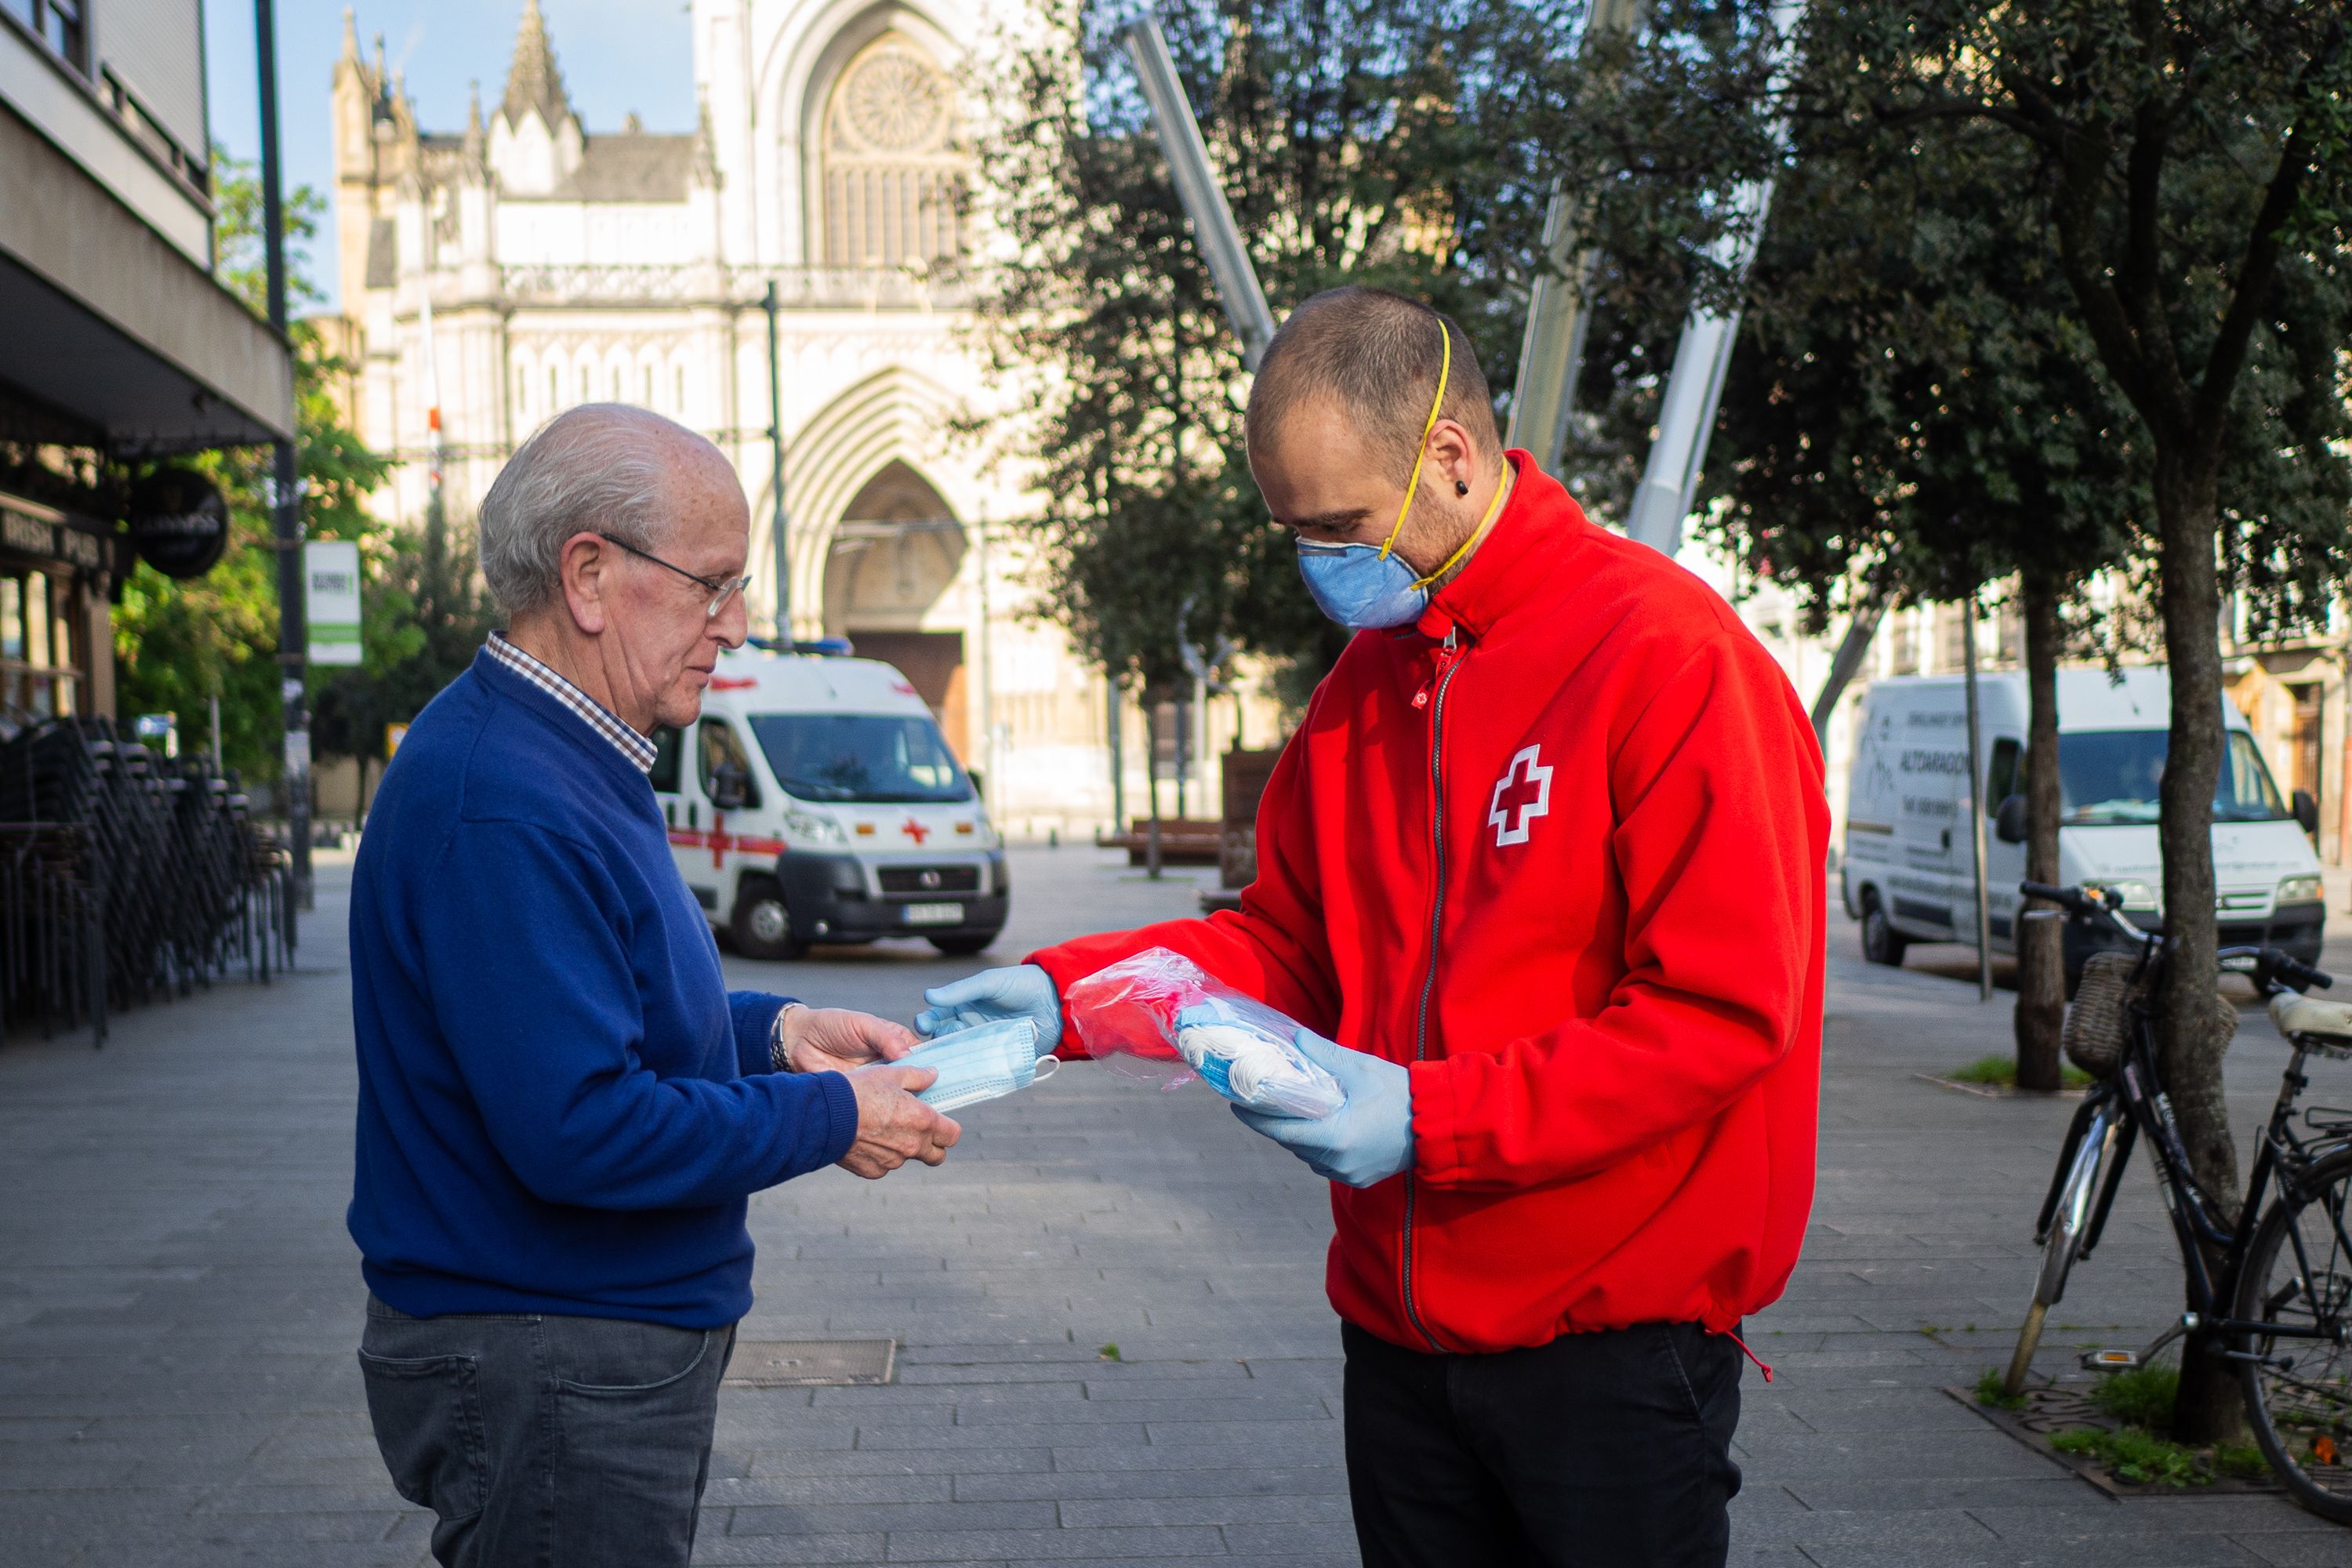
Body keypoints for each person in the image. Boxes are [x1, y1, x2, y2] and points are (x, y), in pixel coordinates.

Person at [918, 287, 1827, 1566]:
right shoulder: (1369, 683)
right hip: (1400, 1346)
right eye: (1294, 531)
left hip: (1608, 1350)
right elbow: (1286, 941)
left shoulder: (1669, 657)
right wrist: (1071, 995)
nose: (1318, 564)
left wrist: (1429, 1119)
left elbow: (1718, 1016)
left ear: (1449, 456)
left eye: (1339, 527)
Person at [347, 405, 960, 1568]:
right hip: (551, 1347)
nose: (736, 625)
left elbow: (596, 1012)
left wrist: (778, 1033)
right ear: (588, 575)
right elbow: (581, 1127)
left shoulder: (564, 751)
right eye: (711, 585)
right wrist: (831, 1115)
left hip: (575, 1339)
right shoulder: (507, 799)